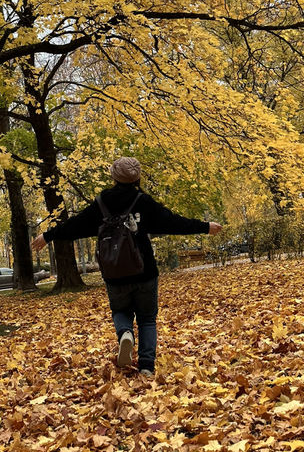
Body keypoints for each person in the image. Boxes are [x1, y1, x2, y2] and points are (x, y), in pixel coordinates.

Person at [30, 156, 222, 376]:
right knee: (147, 319)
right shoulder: (144, 201)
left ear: (114, 176)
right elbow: (173, 222)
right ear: (137, 177)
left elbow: (76, 225)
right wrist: (205, 227)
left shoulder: (101, 203)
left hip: (114, 273)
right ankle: (147, 367)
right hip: (145, 271)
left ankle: (125, 334)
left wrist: (48, 235)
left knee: (120, 310)